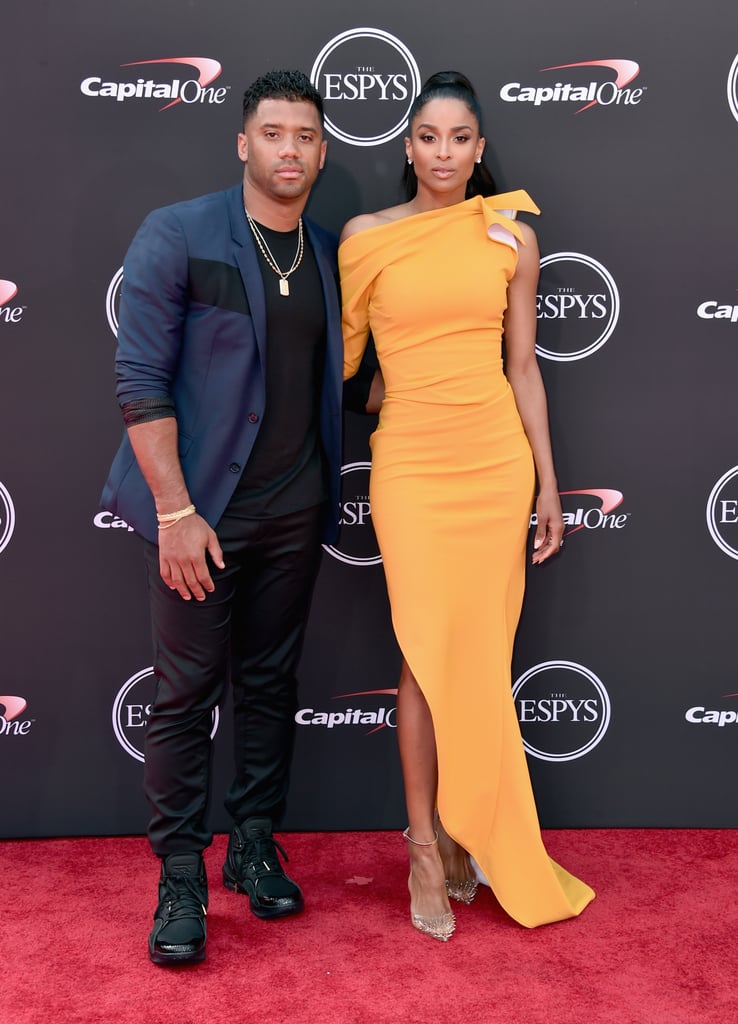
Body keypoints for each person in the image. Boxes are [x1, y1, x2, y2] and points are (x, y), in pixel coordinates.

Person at [340, 71, 595, 941]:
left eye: (460, 138)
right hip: (411, 463)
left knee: (480, 657)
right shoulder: (365, 237)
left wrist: (550, 484)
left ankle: (460, 839)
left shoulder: (510, 237)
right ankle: (421, 845)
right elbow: (344, 369)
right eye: (428, 137)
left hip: (495, 463)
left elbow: (523, 366)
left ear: (480, 149)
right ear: (406, 146)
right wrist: (405, 392)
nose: (443, 153)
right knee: (422, 654)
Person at [101, 70, 344, 965]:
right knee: (184, 697)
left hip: (296, 509)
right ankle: (179, 878)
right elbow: (140, 383)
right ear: (244, 143)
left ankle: (251, 844)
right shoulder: (179, 232)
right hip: (199, 515)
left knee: (272, 685)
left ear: (322, 149)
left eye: (306, 136)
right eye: (273, 133)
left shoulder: (325, 250)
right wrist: (176, 512)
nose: (290, 149)